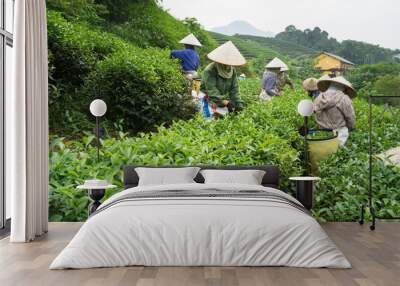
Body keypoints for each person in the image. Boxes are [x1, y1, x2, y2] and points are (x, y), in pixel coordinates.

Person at [200, 41, 246, 117]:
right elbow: (211, 90)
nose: (228, 64)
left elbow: (234, 89)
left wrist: (239, 105)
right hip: (208, 98)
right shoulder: (210, 70)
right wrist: (226, 103)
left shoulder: (231, 70)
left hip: (220, 99)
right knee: (208, 119)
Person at [314, 76, 357, 146]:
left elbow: (314, 112)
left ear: (330, 84)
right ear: (343, 87)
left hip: (321, 132)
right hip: (339, 133)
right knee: (337, 152)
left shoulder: (319, 97)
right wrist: (351, 127)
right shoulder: (344, 98)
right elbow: (350, 117)